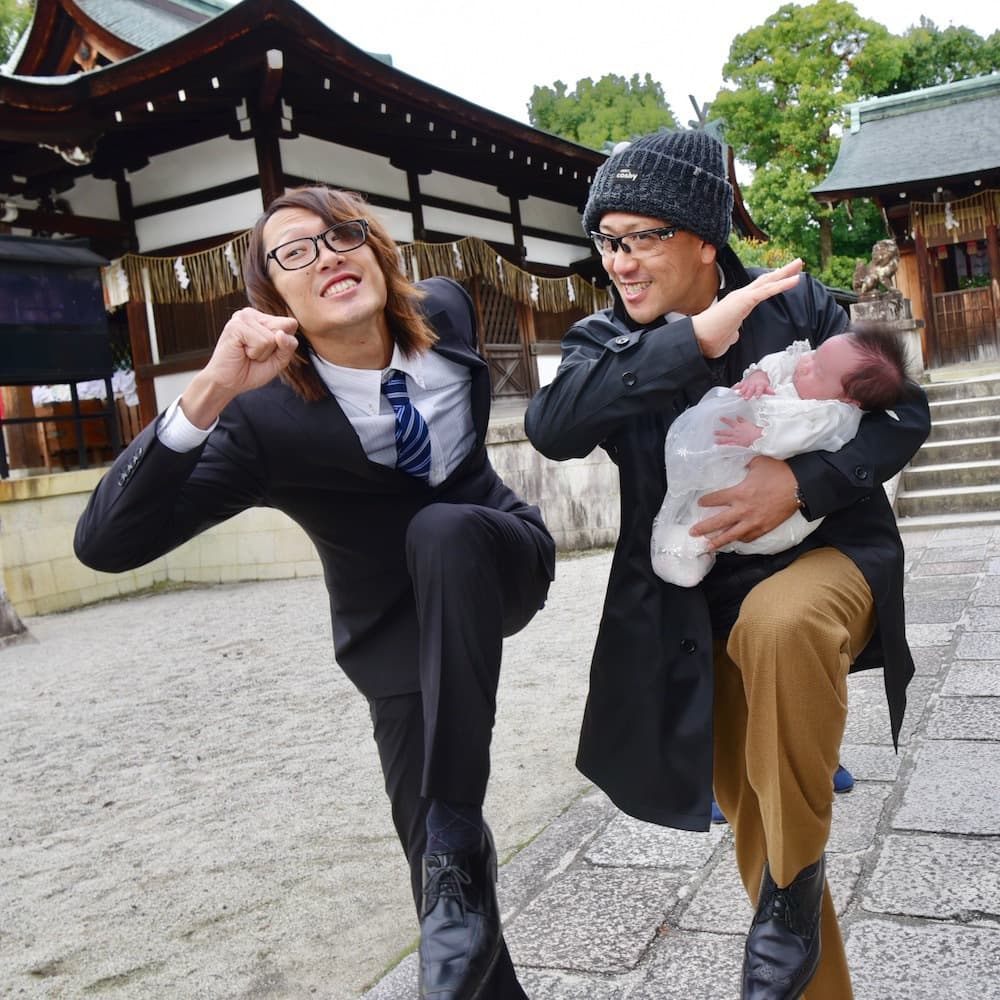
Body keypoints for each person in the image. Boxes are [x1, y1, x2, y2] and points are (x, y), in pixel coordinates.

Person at [74, 187, 556, 1000]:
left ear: (376, 253)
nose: (326, 253)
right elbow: (105, 544)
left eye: (340, 235)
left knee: (441, 533)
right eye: (294, 252)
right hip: (393, 633)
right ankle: (458, 886)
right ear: (274, 300)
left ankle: (452, 830)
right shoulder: (263, 421)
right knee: (446, 894)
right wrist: (208, 392)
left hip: (495, 558)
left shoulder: (446, 310)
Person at [524, 129, 930, 1000]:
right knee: (764, 830)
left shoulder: (800, 304)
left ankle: (790, 885)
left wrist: (803, 479)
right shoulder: (605, 339)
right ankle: (794, 903)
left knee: (781, 627)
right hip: (696, 615)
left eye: (642, 238)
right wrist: (693, 341)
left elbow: (906, 414)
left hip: (827, 558)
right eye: (607, 241)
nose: (619, 263)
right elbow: (553, 429)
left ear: (704, 236)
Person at [652, 327, 914, 587]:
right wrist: (759, 375)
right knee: (715, 491)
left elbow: (793, 435)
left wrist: (759, 434)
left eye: (818, 371)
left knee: (729, 514)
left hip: (785, 518)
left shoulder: (831, 415)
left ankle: (696, 547)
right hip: (753, 468)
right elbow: (782, 361)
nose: (805, 364)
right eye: (815, 355)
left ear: (848, 399)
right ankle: (686, 535)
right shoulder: (812, 368)